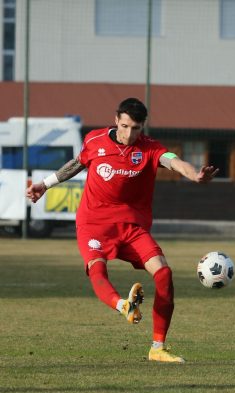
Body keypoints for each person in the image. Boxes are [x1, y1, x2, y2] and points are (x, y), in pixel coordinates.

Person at [26, 98, 218, 363]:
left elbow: (175, 161)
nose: (129, 134)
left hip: (131, 226)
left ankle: (158, 348)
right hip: (93, 223)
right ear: (116, 120)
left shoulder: (150, 148)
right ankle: (122, 305)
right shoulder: (95, 141)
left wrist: (195, 174)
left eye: (136, 128)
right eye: (125, 126)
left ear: (143, 127)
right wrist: (44, 185)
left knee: (163, 272)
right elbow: (76, 163)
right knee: (97, 268)